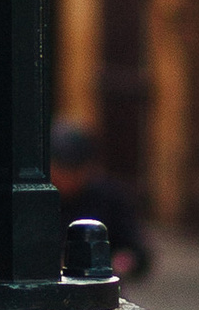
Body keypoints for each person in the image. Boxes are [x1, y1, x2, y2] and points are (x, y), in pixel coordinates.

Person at [48, 117, 150, 283]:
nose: (67, 179)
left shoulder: (110, 197)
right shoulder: (36, 200)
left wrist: (117, 262)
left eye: (74, 171)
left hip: (97, 286)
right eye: (60, 171)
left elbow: (137, 253)